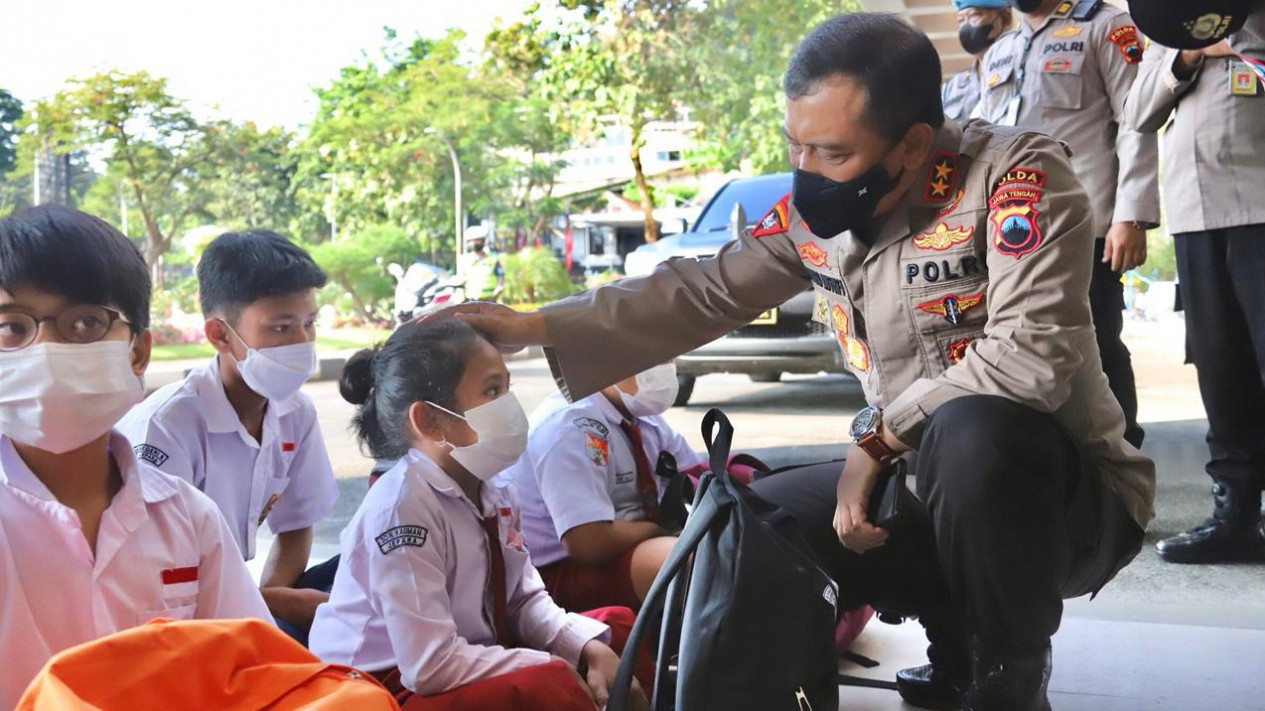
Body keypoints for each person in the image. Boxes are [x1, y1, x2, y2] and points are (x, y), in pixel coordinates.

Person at [429, 14, 1156, 711]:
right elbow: (706, 288)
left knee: (973, 434)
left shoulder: (1017, 179)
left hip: (1063, 502)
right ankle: (926, 649)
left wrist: (877, 439)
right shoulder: (816, 216)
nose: (806, 173)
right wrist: (536, 323)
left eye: (832, 153)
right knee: (747, 523)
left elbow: (1033, 355)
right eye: (795, 148)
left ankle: (1008, 672)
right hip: (924, 483)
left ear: (911, 144)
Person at [0, 206, 271, 708]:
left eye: (84, 322)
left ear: (138, 354)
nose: (47, 349)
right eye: (12, 328)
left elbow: (254, 672)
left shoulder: (189, 520)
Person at [309, 319, 649, 710]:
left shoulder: (494, 487)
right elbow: (429, 666)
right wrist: (553, 663)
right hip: (382, 687)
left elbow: (522, 600)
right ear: (430, 420)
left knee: (615, 632)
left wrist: (585, 647)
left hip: (464, 657)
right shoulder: (403, 509)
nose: (510, 405)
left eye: (507, 388)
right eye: (492, 391)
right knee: (548, 681)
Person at [118, 231, 339, 644]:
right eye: (280, 327)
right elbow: (162, 581)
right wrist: (274, 608)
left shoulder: (295, 410)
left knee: (363, 575)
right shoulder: (168, 427)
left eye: (309, 323)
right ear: (220, 335)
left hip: (239, 600)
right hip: (176, 615)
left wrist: (266, 601)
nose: (302, 342)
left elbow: (296, 527)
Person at [976, 0, 1160, 449]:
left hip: (1081, 227)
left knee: (1095, 350)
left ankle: (1121, 474)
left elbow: (1136, 122)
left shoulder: (1106, 26)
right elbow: (980, 141)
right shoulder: (1001, 49)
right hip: (1007, 235)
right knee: (1013, 351)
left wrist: (1130, 215)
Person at [1123, 4, 1265, 564]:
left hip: (1259, 208)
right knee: (1221, 367)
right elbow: (1136, 111)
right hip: (1195, 217)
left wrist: (1245, 44)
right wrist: (1187, 53)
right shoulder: (1169, 29)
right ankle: (1234, 516)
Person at [507, 362, 702, 612]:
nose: (663, 367)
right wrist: (655, 530)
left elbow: (695, 475)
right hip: (555, 577)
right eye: (647, 357)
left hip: (621, 549)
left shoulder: (642, 418)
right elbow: (589, 543)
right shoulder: (570, 425)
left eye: (668, 357)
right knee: (691, 561)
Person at [942, 0, 1015, 122]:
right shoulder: (952, 87)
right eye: (961, 20)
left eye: (974, 15)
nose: (966, 25)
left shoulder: (1023, 65)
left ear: (1005, 19)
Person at [459, 224, 505, 303]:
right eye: (471, 241)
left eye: (477, 240)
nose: (474, 243)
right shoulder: (465, 259)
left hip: (490, 301)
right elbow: (461, 280)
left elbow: (501, 280)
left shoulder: (493, 259)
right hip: (471, 302)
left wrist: (495, 295)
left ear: (483, 241)